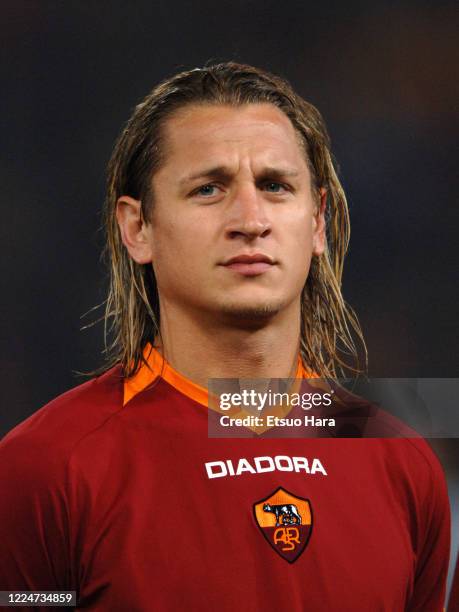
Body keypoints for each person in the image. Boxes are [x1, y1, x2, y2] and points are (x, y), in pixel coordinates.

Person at [0, 62, 450, 611]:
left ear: (317, 224)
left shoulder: (400, 462)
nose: (251, 219)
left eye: (276, 186)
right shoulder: (43, 469)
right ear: (136, 229)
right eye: (209, 189)